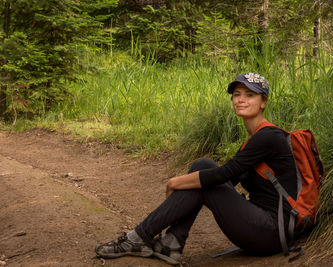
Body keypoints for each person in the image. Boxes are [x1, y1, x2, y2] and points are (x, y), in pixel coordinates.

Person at [95, 72, 298, 265]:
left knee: (206, 177)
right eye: (237, 94)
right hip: (261, 227)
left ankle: (139, 237)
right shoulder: (256, 138)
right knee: (203, 166)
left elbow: (223, 175)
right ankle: (171, 243)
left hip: (270, 232)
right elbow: (228, 180)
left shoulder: (268, 136)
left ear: (263, 102)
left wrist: (175, 182)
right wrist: (191, 184)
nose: (240, 99)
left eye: (250, 95)